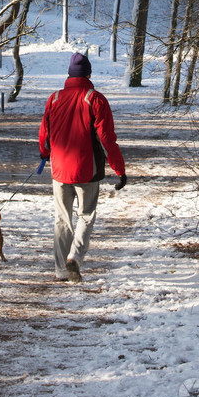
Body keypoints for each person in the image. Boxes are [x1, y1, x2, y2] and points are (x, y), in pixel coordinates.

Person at [38, 52, 127, 282]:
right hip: (87, 171)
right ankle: (75, 259)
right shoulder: (95, 99)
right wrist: (120, 170)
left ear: (69, 74)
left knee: (62, 219)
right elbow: (107, 139)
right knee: (86, 216)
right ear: (88, 74)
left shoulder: (54, 98)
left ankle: (60, 271)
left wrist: (45, 154)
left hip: (59, 171)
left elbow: (44, 134)